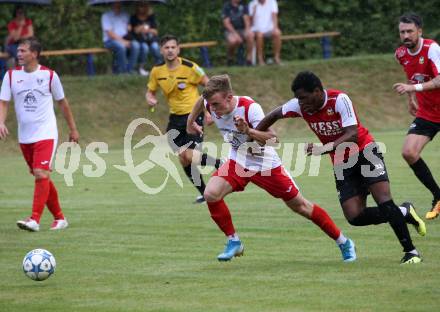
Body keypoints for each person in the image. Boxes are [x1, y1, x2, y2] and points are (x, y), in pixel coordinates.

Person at [256, 71, 425, 264]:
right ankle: (404, 212)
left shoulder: (339, 100)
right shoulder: (300, 106)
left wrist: (323, 148)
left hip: (365, 151)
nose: (300, 103)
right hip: (342, 161)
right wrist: (252, 134)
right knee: (355, 216)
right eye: (298, 99)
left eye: (303, 98)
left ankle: (411, 252)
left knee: (384, 201)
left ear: (318, 91)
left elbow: (352, 134)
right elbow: (273, 115)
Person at [186, 74, 356, 262]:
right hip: (239, 161)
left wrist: (248, 131)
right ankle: (234, 241)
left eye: (216, 104)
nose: (214, 110)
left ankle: (343, 241)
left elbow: (274, 140)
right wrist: (190, 122)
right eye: (211, 105)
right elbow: (201, 101)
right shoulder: (211, 102)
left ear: (229, 97)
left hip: (266, 165)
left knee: (301, 207)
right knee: (211, 194)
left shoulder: (250, 108)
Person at [0, 37, 79, 232]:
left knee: (41, 173)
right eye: (18, 51)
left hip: (46, 132)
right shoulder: (10, 76)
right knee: (41, 176)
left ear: (34, 54)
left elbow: (63, 103)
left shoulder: (50, 76)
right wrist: (0, 121)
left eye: (23, 51)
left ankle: (34, 219)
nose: (18, 54)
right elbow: (3, 102)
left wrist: (73, 129)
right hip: (24, 136)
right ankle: (60, 218)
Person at [146, 35, 222, 204]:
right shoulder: (157, 71)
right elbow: (150, 91)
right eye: (166, 47)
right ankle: (205, 193)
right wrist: (150, 98)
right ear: (161, 50)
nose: (170, 50)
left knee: (189, 154)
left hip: (193, 115)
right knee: (184, 158)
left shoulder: (190, 67)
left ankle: (220, 164)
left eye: (173, 47)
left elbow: (209, 86)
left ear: (178, 49)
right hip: (174, 118)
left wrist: (210, 111)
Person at [393, 13, 440, 220]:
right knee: (409, 152)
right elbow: (410, 76)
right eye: (402, 31)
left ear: (419, 31)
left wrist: (413, 87)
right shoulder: (401, 54)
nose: (406, 35)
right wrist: (411, 97)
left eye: (410, 31)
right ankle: (438, 196)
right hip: (428, 112)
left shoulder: (432, 49)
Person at [101, 2, 140, 74]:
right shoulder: (106, 16)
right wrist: (123, 41)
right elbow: (110, 34)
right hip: (109, 41)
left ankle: (129, 70)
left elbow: (129, 29)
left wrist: (130, 27)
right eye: (115, 3)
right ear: (112, 4)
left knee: (136, 45)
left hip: (125, 39)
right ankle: (123, 71)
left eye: (119, 3)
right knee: (121, 47)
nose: (118, 5)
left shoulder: (125, 15)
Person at [128, 2, 162, 76]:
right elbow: (134, 31)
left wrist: (148, 30)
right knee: (144, 48)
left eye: (143, 6)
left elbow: (156, 32)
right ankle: (141, 68)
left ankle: (160, 67)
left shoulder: (151, 17)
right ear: (137, 7)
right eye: (140, 6)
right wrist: (140, 28)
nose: (142, 8)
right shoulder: (133, 17)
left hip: (151, 39)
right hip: (140, 40)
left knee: (155, 47)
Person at [248, 0, 282, 65]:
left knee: (277, 33)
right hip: (256, 28)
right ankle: (260, 59)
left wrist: (275, 28)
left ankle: (276, 58)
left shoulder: (272, 2)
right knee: (259, 35)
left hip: (269, 28)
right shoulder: (252, 4)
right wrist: (254, 11)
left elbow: (274, 16)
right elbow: (251, 21)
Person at [222, 0, 254, 66]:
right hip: (230, 31)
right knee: (233, 41)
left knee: (250, 35)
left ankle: (249, 59)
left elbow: (246, 19)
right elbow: (226, 23)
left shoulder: (243, 5)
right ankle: (230, 58)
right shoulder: (226, 6)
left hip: (242, 29)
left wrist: (247, 29)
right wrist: (235, 34)